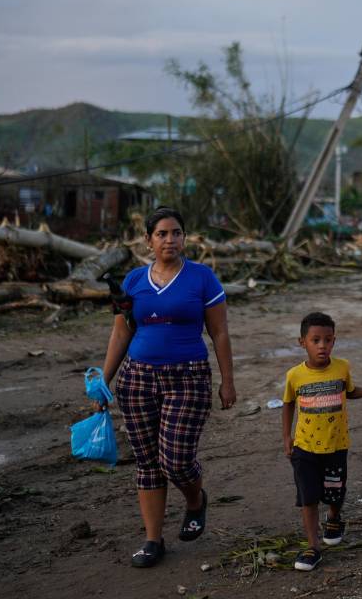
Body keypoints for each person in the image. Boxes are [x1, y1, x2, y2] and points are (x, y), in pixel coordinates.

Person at [99, 207, 237, 568]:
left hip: (188, 377)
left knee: (175, 460)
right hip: (137, 379)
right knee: (147, 463)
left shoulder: (202, 278)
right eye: (161, 234)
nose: (170, 240)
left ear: (185, 237)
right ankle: (152, 540)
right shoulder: (132, 281)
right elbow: (121, 332)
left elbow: (219, 332)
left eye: (176, 233)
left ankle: (195, 501)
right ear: (148, 240)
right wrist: (104, 380)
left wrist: (227, 382)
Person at [282, 312, 362, 572]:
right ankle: (312, 546)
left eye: (328, 340)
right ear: (303, 342)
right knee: (308, 497)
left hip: (336, 445)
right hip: (304, 448)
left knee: (335, 492)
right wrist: (287, 437)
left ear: (334, 341)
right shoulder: (294, 375)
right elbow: (287, 405)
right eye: (316, 340)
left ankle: (333, 517)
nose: (322, 346)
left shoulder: (342, 367)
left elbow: (351, 392)